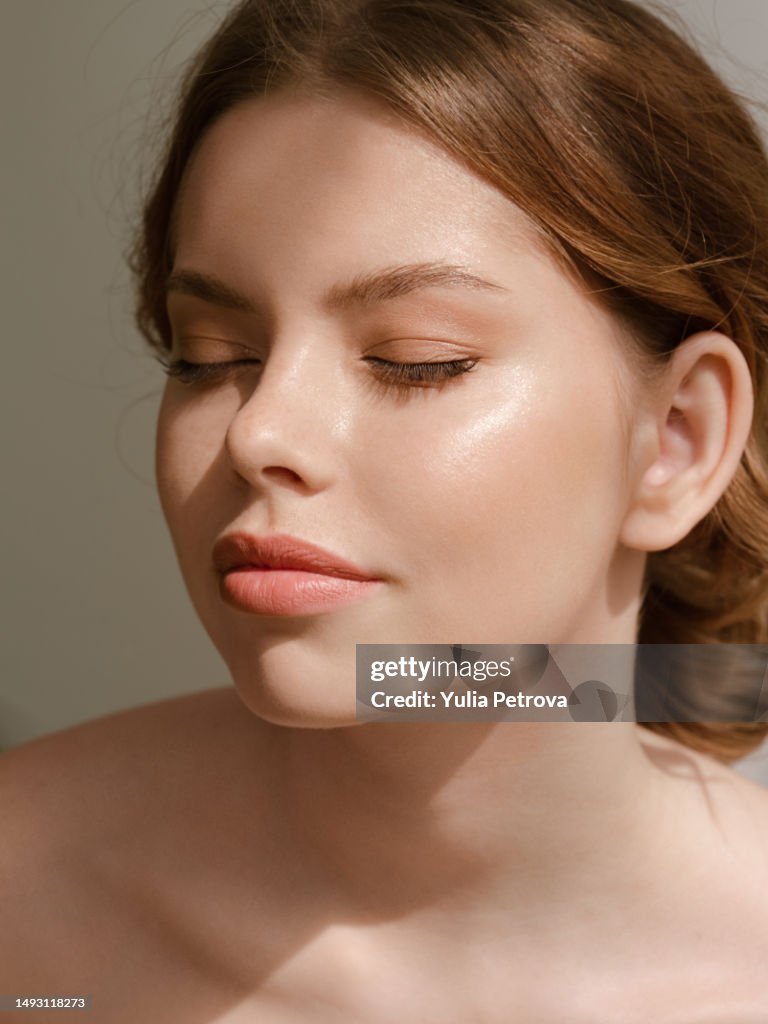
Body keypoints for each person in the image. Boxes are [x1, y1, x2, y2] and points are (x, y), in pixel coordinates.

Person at [2, 0, 768, 1019]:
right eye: (211, 357)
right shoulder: (25, 902)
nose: (258, 431)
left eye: (416, 361)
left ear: (678, 439)